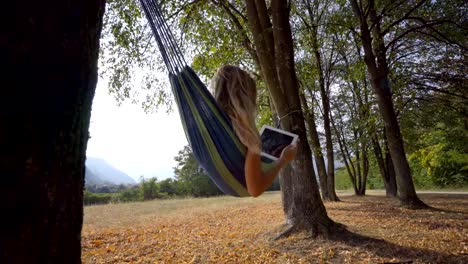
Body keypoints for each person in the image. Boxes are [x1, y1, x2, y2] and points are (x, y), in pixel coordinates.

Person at [211, 65, 298, 197]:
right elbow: (255, 190)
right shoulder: (248, 134)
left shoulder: (213, 121)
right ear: (245, 98)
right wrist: (283, 160)